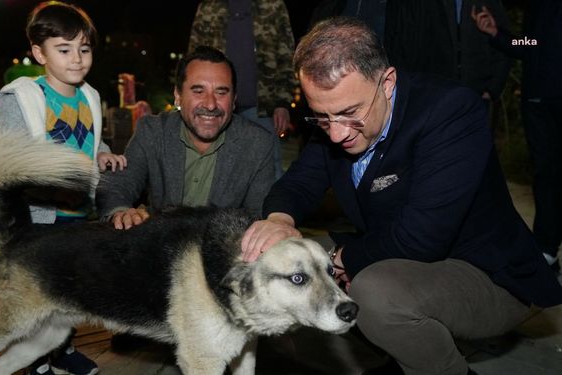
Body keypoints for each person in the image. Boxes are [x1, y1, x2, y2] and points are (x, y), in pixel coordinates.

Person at [240, 17, 562, 375]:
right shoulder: (337, 123)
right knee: (286, 263)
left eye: (350, 113)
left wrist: (341, 259)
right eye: (322, 118)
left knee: (374, 294)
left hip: (490, 274)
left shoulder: (451, 113)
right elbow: (297, 185)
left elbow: (421, 237)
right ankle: (400, 352)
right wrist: (278, 221)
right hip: (403, 256)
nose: (335, 135)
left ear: (388, 83)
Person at [0, 2, 125, 374]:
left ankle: (63, 350)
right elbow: (11, 156)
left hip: (79, 211)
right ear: (39, 52)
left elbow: (91, 139)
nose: (77, 59)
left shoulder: (90, 97)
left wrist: (103, 154)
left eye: (84, 49)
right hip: (39, 214)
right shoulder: (24, 97)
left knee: (71, 288)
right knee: (38, 292)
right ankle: (35, 360)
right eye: (64, 49)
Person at [95, 45, 275, 229]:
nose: (211, 104)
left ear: (234, 100)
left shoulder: (258, 145)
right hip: (159, 246)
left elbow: (259, 217)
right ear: (178, 96)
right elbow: (119, 183)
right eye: (198, 91)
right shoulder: (153, 131)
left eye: (221, 92)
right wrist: (121, 211)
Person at [471, 1, 562, 273]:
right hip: (538, 100)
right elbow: (533, 43)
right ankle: (546, 250)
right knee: (547, 176)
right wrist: (497, 34)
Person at [188, 0, 297, 179]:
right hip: (215, 110)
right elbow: (193, 59)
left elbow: (286, 57)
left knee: (269, 172)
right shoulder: (208, 7)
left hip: (261, 110)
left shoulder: (273, 6)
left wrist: (282, 103)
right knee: (216, 173)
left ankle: (273, 208)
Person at [385, 0, 512, 104]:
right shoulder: (427, 5)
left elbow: (504, 42)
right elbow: (406, 43)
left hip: (476, 94)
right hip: (437, 94)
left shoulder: (488, 2)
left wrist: (492, 90)